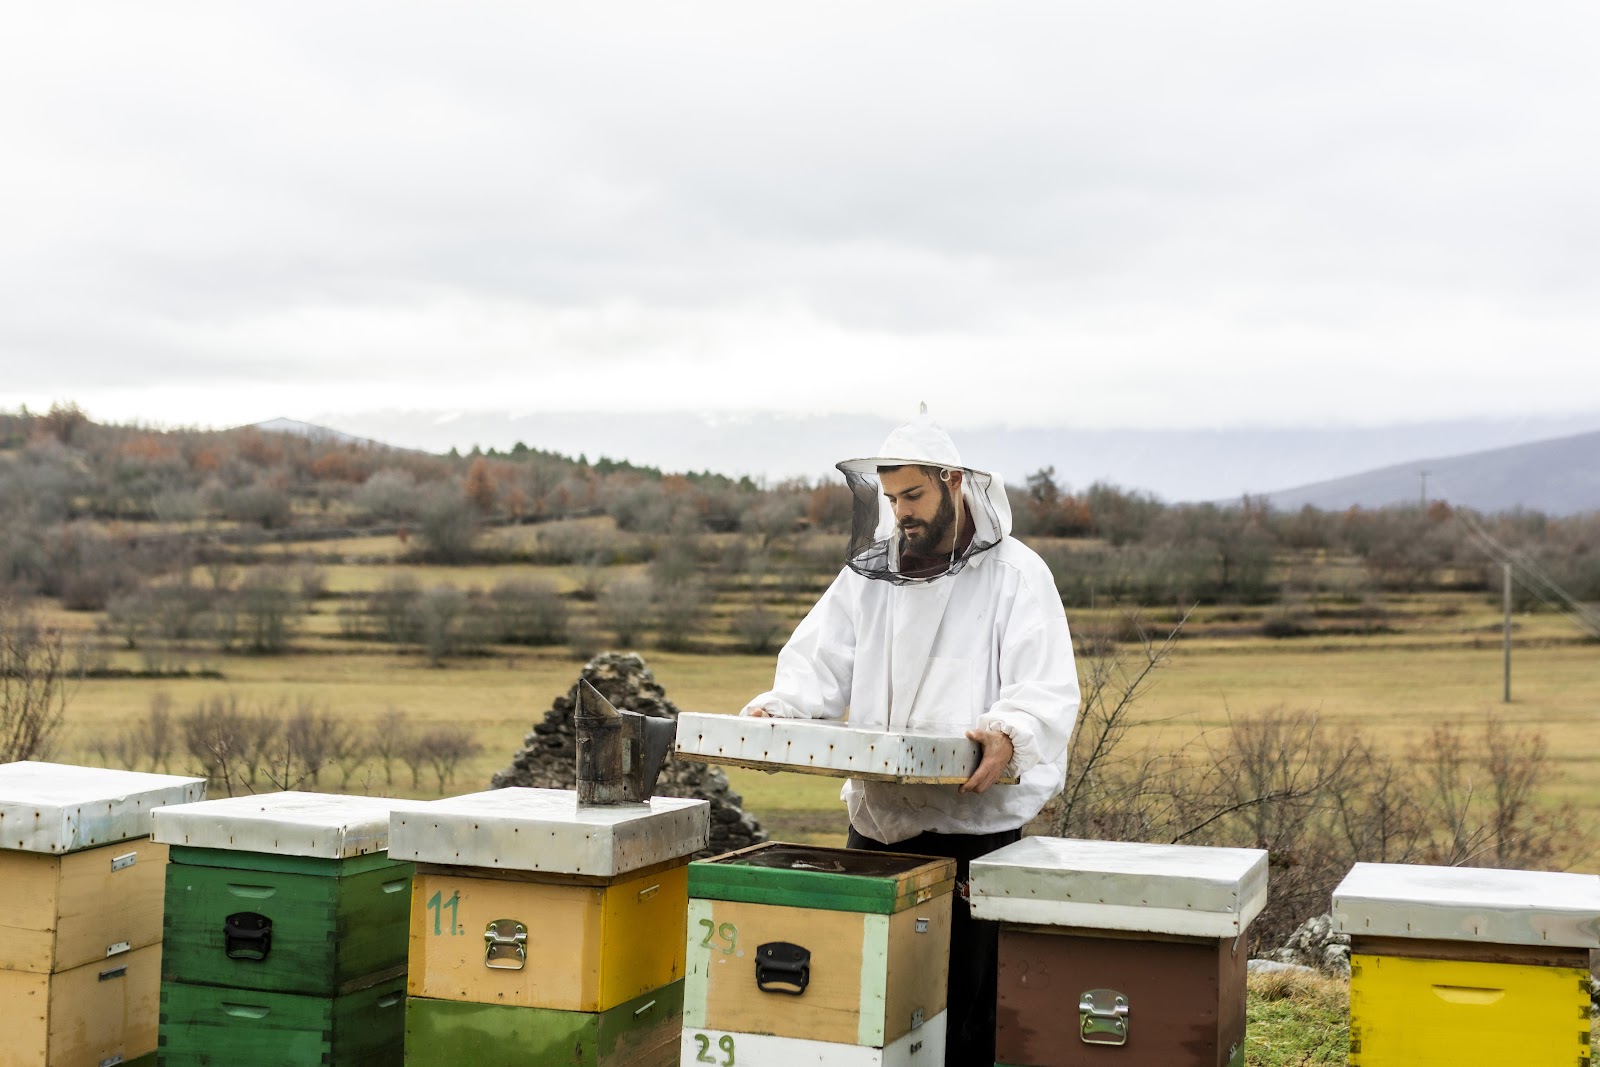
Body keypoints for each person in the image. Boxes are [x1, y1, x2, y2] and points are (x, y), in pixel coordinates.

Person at [742, 406, 1079, 1067]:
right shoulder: (869, 579)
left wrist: (1010, 732)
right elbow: (817, 666)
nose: (901, 511)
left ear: (954, 481)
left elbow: (1042, 689)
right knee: (870, 1012)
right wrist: (779, 710)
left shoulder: (1016, 575)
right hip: (876, 832)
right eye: (892, 497)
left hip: (973, 840)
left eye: (914, 494)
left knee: (964, 1021)